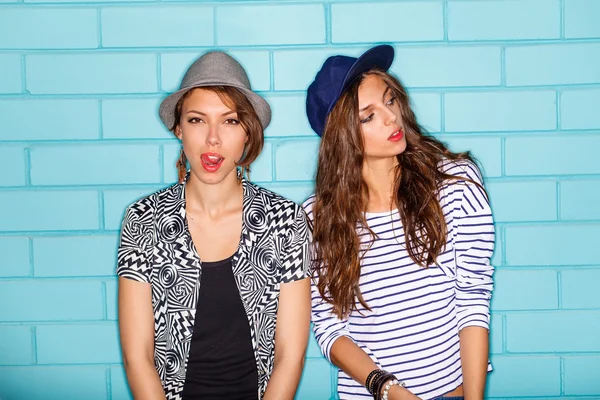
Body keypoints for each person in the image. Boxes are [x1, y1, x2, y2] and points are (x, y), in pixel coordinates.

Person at [303, 45, 495, 400]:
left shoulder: (456, 184)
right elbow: (330, 330)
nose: (391, 118)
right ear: (342, 137)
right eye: (368, 116)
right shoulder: (317, 219)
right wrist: (388, 389)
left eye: (390, 101)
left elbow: (472, 299)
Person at [116, 51, 311, 400]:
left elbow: (290, 357)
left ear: (248, 133)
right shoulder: (143, 220)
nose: (213, 139)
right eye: (196, 120)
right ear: (178, 129)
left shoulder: (287, 221)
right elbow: (137, 358)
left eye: (230, 121)